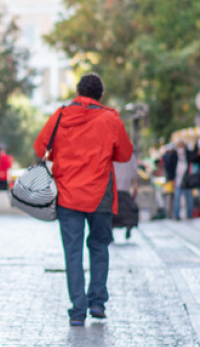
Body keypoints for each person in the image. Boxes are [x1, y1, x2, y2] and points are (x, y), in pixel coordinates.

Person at [33, 73, 133, 326]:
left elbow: (39, 147)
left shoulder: (61, 115)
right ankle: (97, 302)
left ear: (78, 92)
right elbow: (124, 154)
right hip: (100, 194)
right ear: (100, 95)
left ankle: (78, 310)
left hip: (67, 195)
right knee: (99, 246)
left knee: (73, 252)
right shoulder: (110, 119)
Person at [112, 151, 139, 239]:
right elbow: (134, 170)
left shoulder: (111, 150)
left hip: (115, 186)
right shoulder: (129, 153)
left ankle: (112, 228)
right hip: (123, 186)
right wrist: (135, 184)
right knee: (126, 209)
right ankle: (128, 226)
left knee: (114, 210)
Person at [172, 139, 195, 220]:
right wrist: (172, 178)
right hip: (178, 180)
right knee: (177, 198)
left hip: (187, 180)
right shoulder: (174, 156)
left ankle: (190, 214)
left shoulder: (188, 155)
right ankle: (176, 215)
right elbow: (170, 167)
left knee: (189, 197)